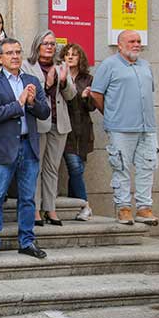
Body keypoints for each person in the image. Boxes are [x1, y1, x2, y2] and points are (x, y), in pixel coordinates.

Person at [0, 38, 50, 259]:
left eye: (18, 52)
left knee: (28, 197)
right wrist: (18, 104)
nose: (15, 56)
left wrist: (31, 102)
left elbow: (45, 112)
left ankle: (27, 241)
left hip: (28, 146)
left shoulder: (32, 80)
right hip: (2, 149)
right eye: (9, 53)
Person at [91, 30, 159, 226]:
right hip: (120, 128)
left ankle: (144, 208)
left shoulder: (146, 65)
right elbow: (96, 94)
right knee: (120, 168)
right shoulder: (109, 65)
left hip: (147, 127)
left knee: (147, 167)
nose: (137, 44)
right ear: (119, 45)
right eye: (131, 41)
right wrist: (111, 114)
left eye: (139, 41)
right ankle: (124, 209)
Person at [22, 30, 76, 227]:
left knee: (52, 167)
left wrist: (62, 81)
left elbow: (71, 95)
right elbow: (29, 95)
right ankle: (35, 209)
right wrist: (49, 82)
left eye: (53, 44)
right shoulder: (27, 65)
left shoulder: (62, 66)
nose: (49, 47)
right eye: (45, 43)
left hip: (59, 122)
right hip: (38, 123)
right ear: (37, 45)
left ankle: (50, 208)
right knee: (35, 167)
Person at [60, 43, 96, 221]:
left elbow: (92, 107)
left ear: (80, 58)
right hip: (65, 128)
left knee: (77, 169)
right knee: (74, 166)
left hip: (82, 129)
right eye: (67, 54)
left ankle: (75, 205)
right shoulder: (60, 75)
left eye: (74, 54)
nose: (70, 57)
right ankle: (85, 205)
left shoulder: (87, 79)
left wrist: (86, 98)